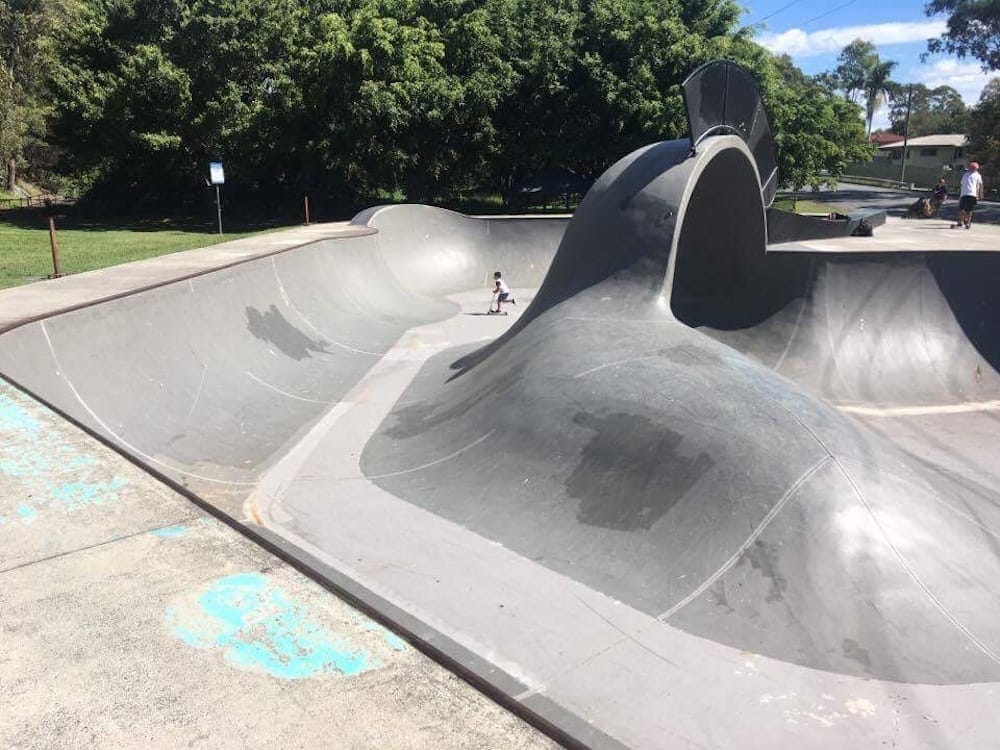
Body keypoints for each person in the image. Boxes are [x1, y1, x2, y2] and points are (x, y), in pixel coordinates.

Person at [953, 162, 984, 229]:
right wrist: (960, 194)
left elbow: (980, 185)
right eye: (971, 167)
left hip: (972, 194)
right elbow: (962, 184)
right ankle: (960, 222)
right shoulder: (965, 174)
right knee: (961, 209)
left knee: (969, 210)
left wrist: (980, 193)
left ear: (977, 168)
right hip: (964, 194)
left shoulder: (978, 175)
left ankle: (968, 223)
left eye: (974, 168)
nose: (973, 168)